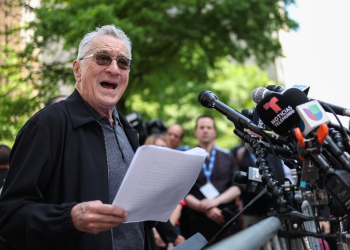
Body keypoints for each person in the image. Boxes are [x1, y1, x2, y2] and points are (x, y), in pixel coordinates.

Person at [0, 25, 153, 250]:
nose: (114, 69)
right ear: (77, 69)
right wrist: (70, 218)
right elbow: (9, 216)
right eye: (102, 58)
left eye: (123, 63)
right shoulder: (47, 125)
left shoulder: (127, 129)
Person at [184, 115, 241, 241]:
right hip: (197, 221)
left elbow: (237, 188)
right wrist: (203, 207)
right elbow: (183, 192)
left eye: (209, 127)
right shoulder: (187, 158)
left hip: (225, 218)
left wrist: (215, 202)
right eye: (202, 127)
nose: (205, 130)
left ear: (214, 132)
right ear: (196, 132)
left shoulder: (228, 156)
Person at [144, 134, 185, 249]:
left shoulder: (173, 173)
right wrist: (159, 233)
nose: (162, 151)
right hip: (150, 229)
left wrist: (168, 233)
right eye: (157, 147)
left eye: (164, 147)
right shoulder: (143, 173)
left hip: (169, 227)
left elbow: (179, 203)